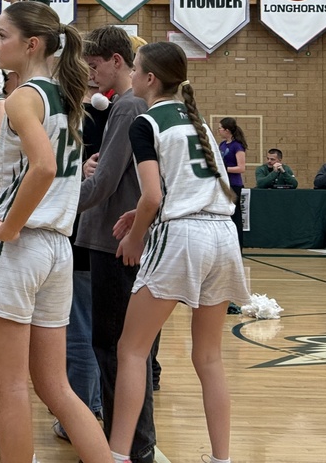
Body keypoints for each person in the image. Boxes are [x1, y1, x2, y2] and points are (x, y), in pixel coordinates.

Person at [0, 1, 112, 463]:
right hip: (57, 249)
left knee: (9, 388)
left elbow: (43, 167)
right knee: (56, 387)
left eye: (2, 34)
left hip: (21, 245)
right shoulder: (64, 97)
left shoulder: (22, 97)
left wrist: (8, 226)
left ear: (31, 44)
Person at [110, 42, 250, 463]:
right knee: (208, 356)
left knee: (132, 350)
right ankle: (221, 458)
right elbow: (192, 186)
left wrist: (135, 237)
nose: (132, 76)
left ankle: (116, 455)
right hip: (223, 235)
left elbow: (153, 194)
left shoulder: (145, 120)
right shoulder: (198, 120)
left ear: (149, 79)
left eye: (135, 69)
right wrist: (144, 211)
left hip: (183, 238)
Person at [73, 26, 154, 461]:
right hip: (108, 240)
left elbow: (105, 184)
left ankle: (132, 446)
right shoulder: (124, 107)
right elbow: (105, 172)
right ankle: (128, 443)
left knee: (117, 351)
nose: (89, 74)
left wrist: (56, 203)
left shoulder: (128, 107)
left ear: (117, 62)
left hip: (114, 244)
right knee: (117, 350)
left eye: (94, 65)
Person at [217, 118, 247, 247]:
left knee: (234, 216)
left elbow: (241, 168)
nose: (218, 130)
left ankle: (237, 246)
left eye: (220, 128)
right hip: (223, 183)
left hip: (234, 184)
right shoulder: (222, 145)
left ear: (227, 130)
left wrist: (224, 168)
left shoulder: (237, 146)